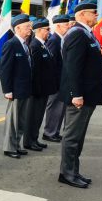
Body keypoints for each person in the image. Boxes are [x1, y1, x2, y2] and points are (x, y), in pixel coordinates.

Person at [58, 0, 102, 188]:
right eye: (92, 12)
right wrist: (75, 94)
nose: (96, 14)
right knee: (72, 136)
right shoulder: (77, 34)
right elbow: (72, 68)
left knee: (78, 136)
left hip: (88, 94)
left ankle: (73, 170)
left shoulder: (86, 34)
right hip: (80, 96)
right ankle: (67, 173)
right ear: (81, 15)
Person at [0, 14, 33, 158]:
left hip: (25, 89)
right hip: (15, 89)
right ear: (18, 28)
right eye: (27, 27)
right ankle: (9, 147)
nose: (30, 29)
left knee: (21, 120)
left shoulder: (26, 44)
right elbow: (5, 69)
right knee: (13, 120)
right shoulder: (11, 44)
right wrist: (7, 90)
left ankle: (16, 144)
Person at [25, 18, 58, 151]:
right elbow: (35, 71)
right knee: (32, 116)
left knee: (38, 116)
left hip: (43, 89)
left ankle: (34, 139)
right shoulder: (35, 45)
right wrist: (37, 89)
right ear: (39, 30)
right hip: (37, 90)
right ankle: (29, 141)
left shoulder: (43, 44)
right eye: (47, 29)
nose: (49, 32)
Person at [42, 14, 70, 143]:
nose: (68, 27)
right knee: (54, 107)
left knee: (60, 109)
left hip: (62, 80)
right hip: (56, 81)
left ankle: (55, 131)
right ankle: (49, 132)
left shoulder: (62, 39)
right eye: (66, 25)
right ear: (58, 26)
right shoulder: (54, 40)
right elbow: (51, 64)